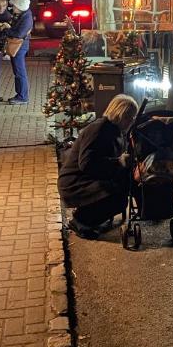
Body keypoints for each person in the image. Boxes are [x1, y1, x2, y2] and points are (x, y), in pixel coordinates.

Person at [58, 94, 139, 239]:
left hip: (89, 178)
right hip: (75, 182)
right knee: (116, 197)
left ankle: (90, 216)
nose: (131, 121)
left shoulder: (116, 131)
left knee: (124, 190)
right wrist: (118, 162)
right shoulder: (99, 129)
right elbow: (87, 164)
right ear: (120, 114)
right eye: (129, 117)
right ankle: (81, 220)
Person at [5, 0, 34, 104]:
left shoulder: (26, 17)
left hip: (20, 46)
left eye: (15, 7)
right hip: (20, 45)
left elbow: (19, 34)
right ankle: (20, 94)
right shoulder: (24, 15)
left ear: (20, 8)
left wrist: (7, 30)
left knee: (19, 71)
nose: (13, 8)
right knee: (18, 71)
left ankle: (22, 96)